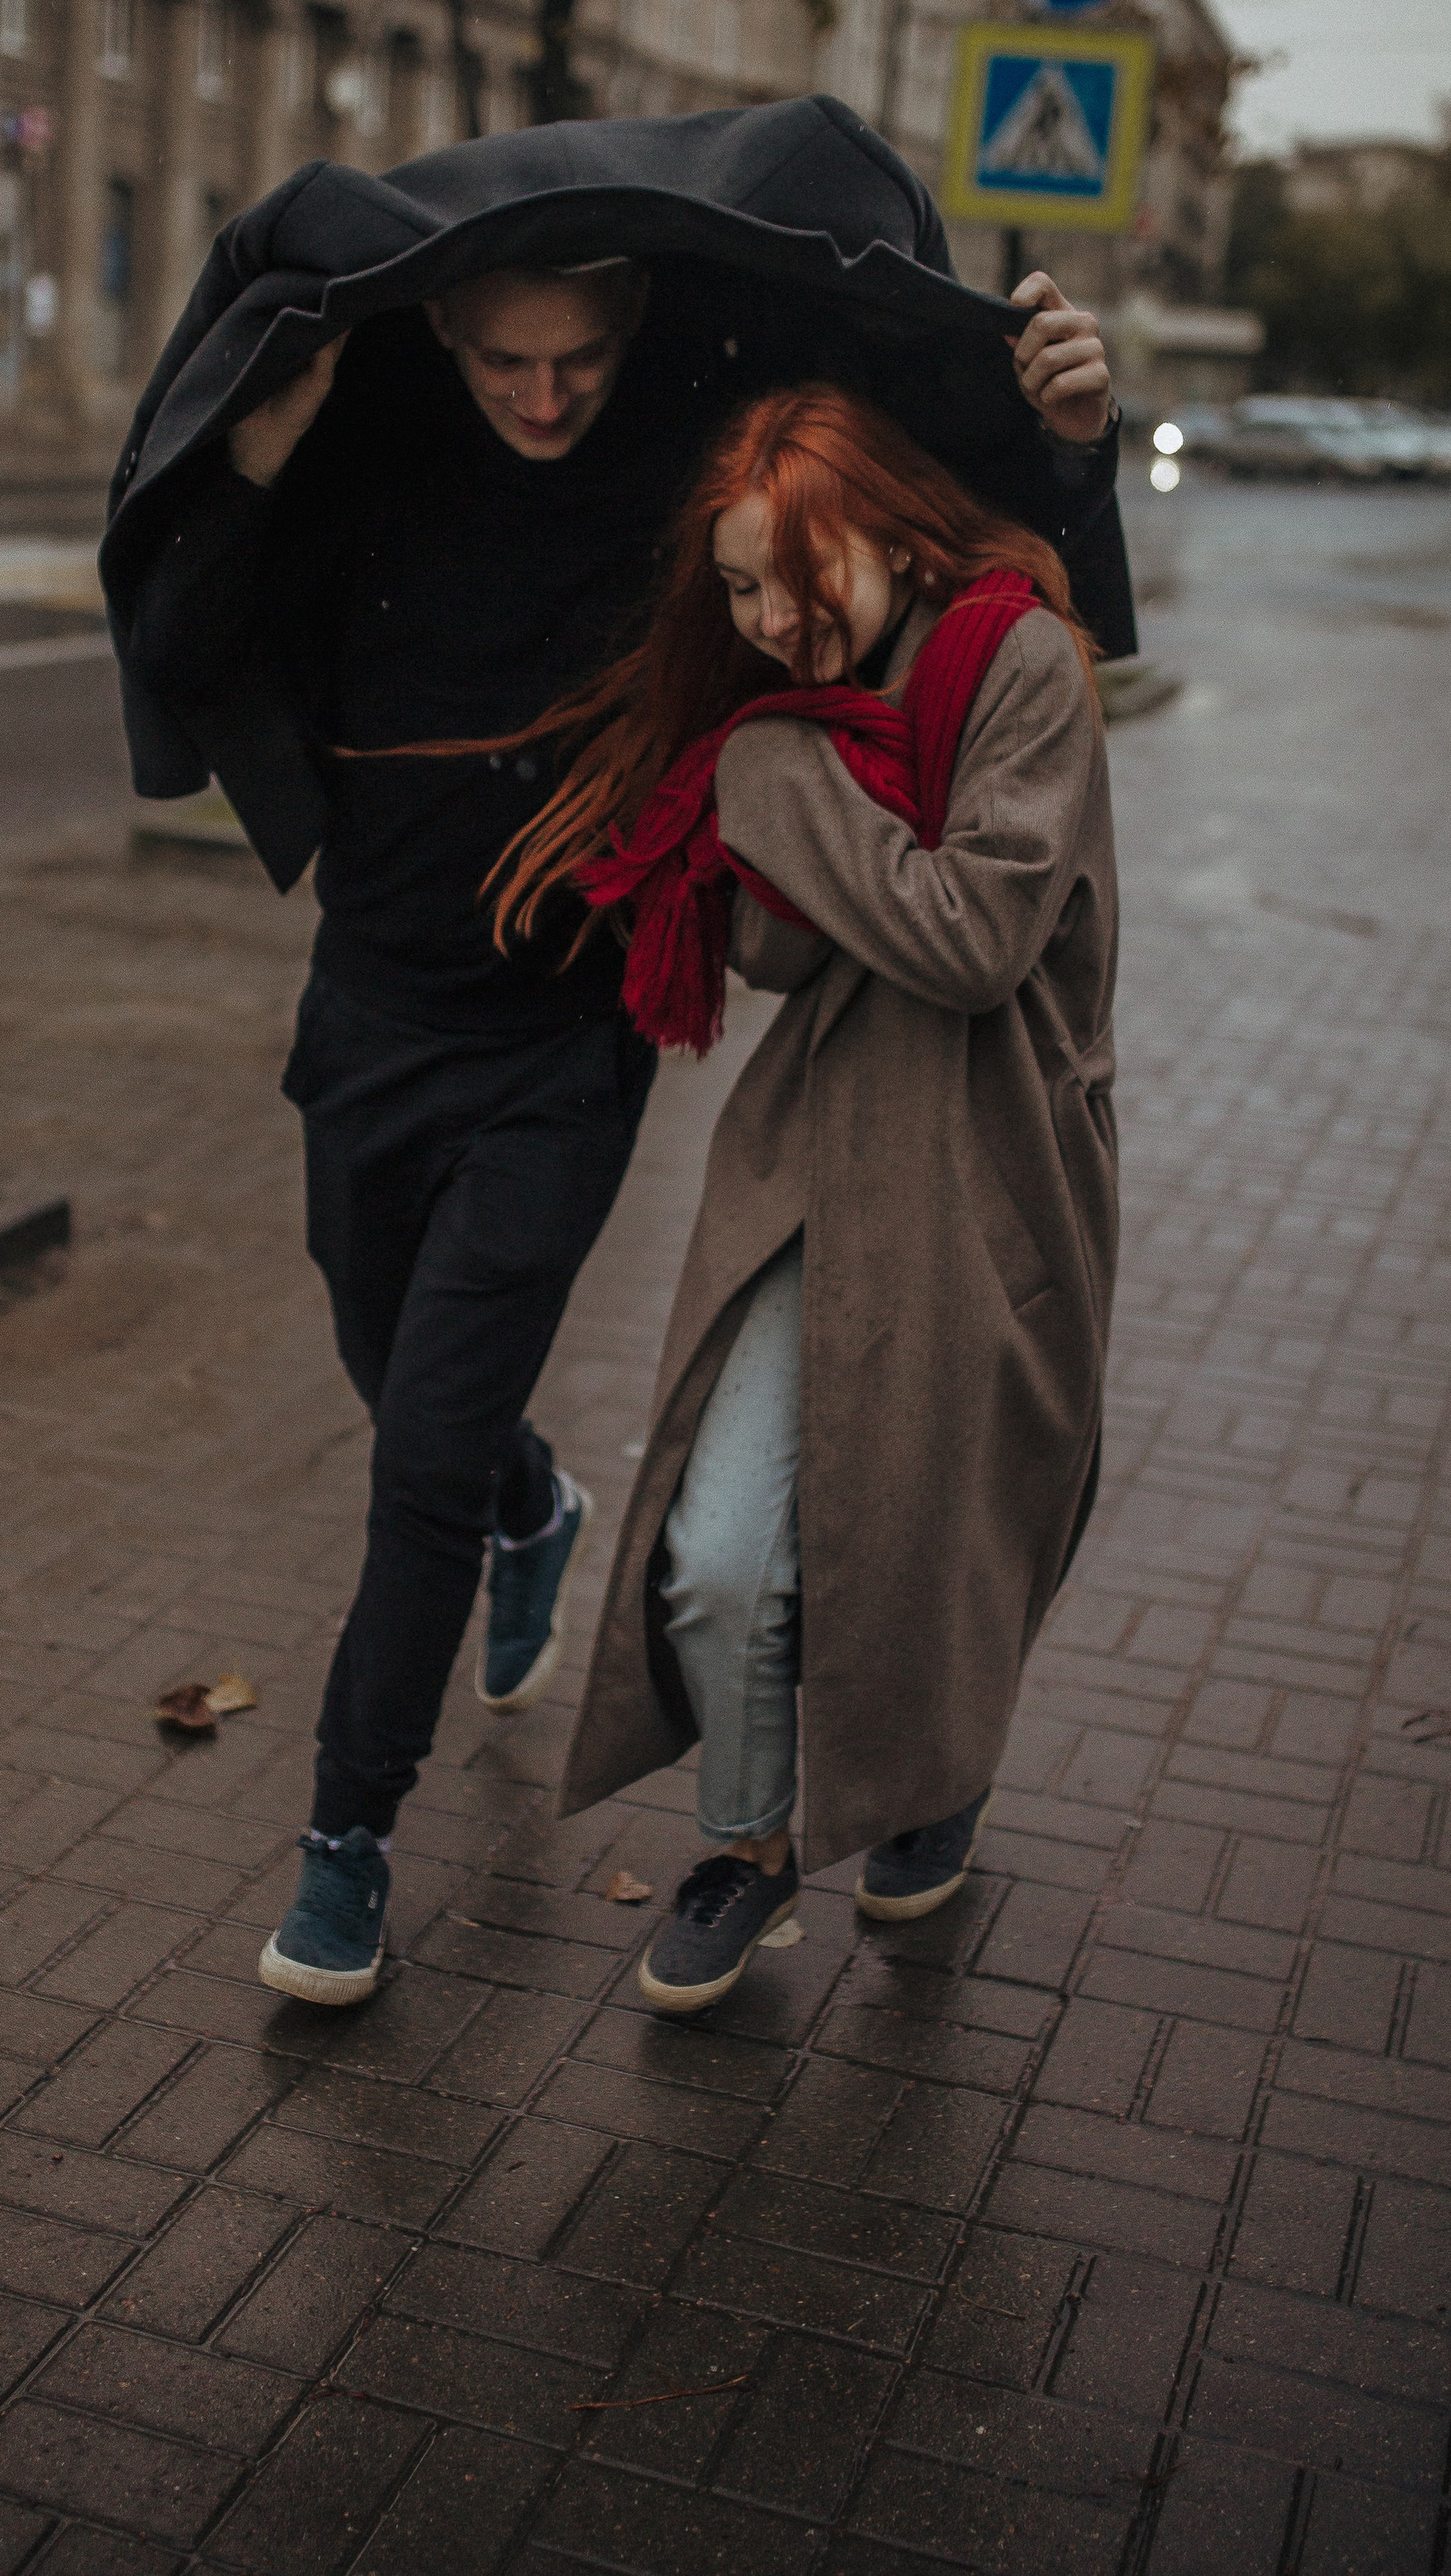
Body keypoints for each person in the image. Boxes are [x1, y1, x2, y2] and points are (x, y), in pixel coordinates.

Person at [105, 162, 1119, 2011]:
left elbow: (897, 500)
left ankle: (350, 1848)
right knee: (394, 1371)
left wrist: (1068, 445)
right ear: (440, 330)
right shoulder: (362, 444)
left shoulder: (724, 488)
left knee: (446, 1453)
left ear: (629, 337)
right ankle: (526, 1510)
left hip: (576, 1054)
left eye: (581, 357)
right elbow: (181, 655)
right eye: (507, 357)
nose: (546, 394)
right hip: (377, 1018)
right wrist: (246, 458)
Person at [460, 379, 1118, 2013]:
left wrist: (771, 779)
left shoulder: (1018, 666)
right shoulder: (794, 718)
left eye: (794, 581)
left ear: (891, 530)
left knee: (931, 1528)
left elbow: (970, 938)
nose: (766, 621)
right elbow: (769, 946)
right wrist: (776, 777)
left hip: (987, 1172)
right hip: (813, 1161)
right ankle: (745, 1852)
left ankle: (929, 1773)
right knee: (715, 1551)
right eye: (740, 587)